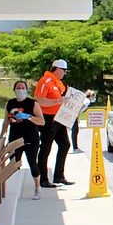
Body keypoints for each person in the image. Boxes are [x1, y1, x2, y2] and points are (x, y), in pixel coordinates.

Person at [0, 80, 45, 200]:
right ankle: (14, 188)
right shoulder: (9, 104)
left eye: (22, 88)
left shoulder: (32, 103)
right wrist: (1, 137)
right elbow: (6, 122)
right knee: (14, 164)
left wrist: (28, 117)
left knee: (32, 163)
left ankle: (37, 187)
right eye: (18, 88)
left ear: (26, 90)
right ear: (14, 90)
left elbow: (41, 121)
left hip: (30, 137)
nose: (20, 90)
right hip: (14, 137)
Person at [35, 59, 74, 188]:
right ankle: (43, 178)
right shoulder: (45, 81)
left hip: (58, 118)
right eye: (64, 71)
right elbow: (39, 100)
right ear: (57, 69)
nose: (65, 73)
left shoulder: (57, 83)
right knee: (46, 147)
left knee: (65, 144)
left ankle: (59, 176)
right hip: (48, 119)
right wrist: (59, 100)